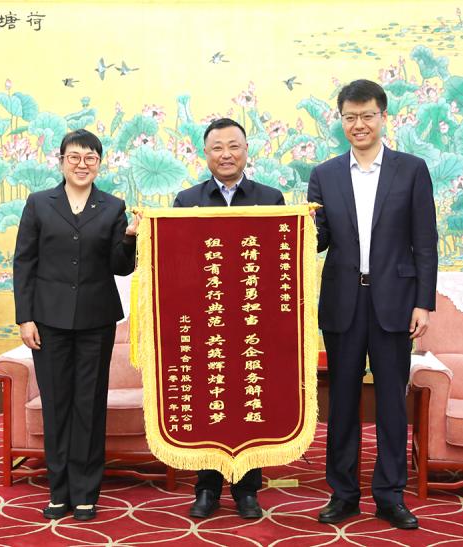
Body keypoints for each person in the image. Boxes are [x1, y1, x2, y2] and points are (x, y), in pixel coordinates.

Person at [307, 79, 438, 530]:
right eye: (350, 117)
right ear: (341, 120)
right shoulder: (324, 174)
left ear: (383, 117)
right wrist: (297, 228)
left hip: (395, 302)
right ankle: (343, 494)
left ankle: (389, 495)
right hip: (343, 301)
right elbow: (318, 241)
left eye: (367, 116)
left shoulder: (411, 170)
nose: (358, 124)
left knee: (390, 404)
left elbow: (425, 241)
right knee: (342, 402)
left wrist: (423, 303)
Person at [13, 129, 141, 522]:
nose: (82, 164)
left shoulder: (113, 206)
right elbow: (24, 262)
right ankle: (59, 490)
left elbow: (120, 266)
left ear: (99, 164)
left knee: (89, 405)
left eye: (90, 158)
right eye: (74, 157)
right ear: (61, 161)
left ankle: (86, 492)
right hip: (48, 321)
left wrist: (130, 239)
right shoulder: (39, 203)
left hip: (96, 320)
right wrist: (25, 318)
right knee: (57, 405)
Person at [173, 117, 284, 519]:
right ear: (205, 154)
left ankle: (247, 489)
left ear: (246, 151)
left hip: (254, 322)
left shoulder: (271, 199)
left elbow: (279, 260)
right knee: (210, 403)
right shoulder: (187, 201)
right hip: (207, 322)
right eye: (217, 148)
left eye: (233, 146)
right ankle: (206, 487)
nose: (226, 154)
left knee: (250, 402)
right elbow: (177, 260)